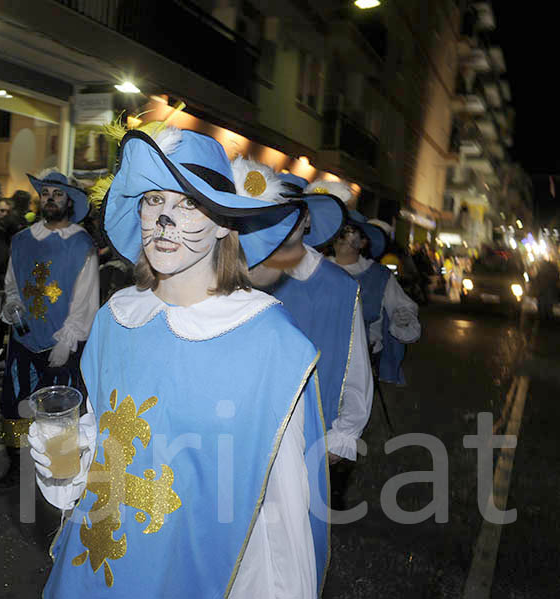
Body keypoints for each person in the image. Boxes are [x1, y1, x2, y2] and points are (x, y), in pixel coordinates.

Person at [29, 126, 328, 597]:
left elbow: (281, 513)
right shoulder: (116, 318)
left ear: (225, 223)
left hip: (197, 576)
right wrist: (66, 453)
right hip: (96, 571)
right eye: (154, 201)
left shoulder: (268, 340)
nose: (166, 220)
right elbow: (106, 437)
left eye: (189, 203)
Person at [237, 165, 373, 513]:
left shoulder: (340, 288)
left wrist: (342, 436)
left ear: (307, 221)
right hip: (240, 436)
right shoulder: (242, 275)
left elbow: (354, 367)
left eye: (293, 213)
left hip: (306, 440)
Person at [0, 169, 99, 491]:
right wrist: (12, 303)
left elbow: (86, 298)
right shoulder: (22, 240)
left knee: (59, 414)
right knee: (13, 406)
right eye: (46, 194)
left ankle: (61, 471)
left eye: (57, 194)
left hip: (61, 344)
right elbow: (12, 282)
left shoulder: (81, 244)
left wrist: (67, 340)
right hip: (24, 340)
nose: (50, 200)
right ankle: (16, 466)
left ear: (69, 201)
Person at [330, 210, 421, 385]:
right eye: (340, 231)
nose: (342, 236)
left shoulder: (379, 276)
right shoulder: (317, 269)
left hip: (361, 364)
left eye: (349, 231)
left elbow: (403, 307)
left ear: (363, 242)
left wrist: (402, 317)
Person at [533, 257, 559, 321]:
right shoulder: (552, 269)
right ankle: (548, 317)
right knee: (548, 303)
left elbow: (537, 278)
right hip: (549, 289)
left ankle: (543, 317)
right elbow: (556, 277)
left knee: (542, 303)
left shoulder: (542, 269)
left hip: (543, 289)